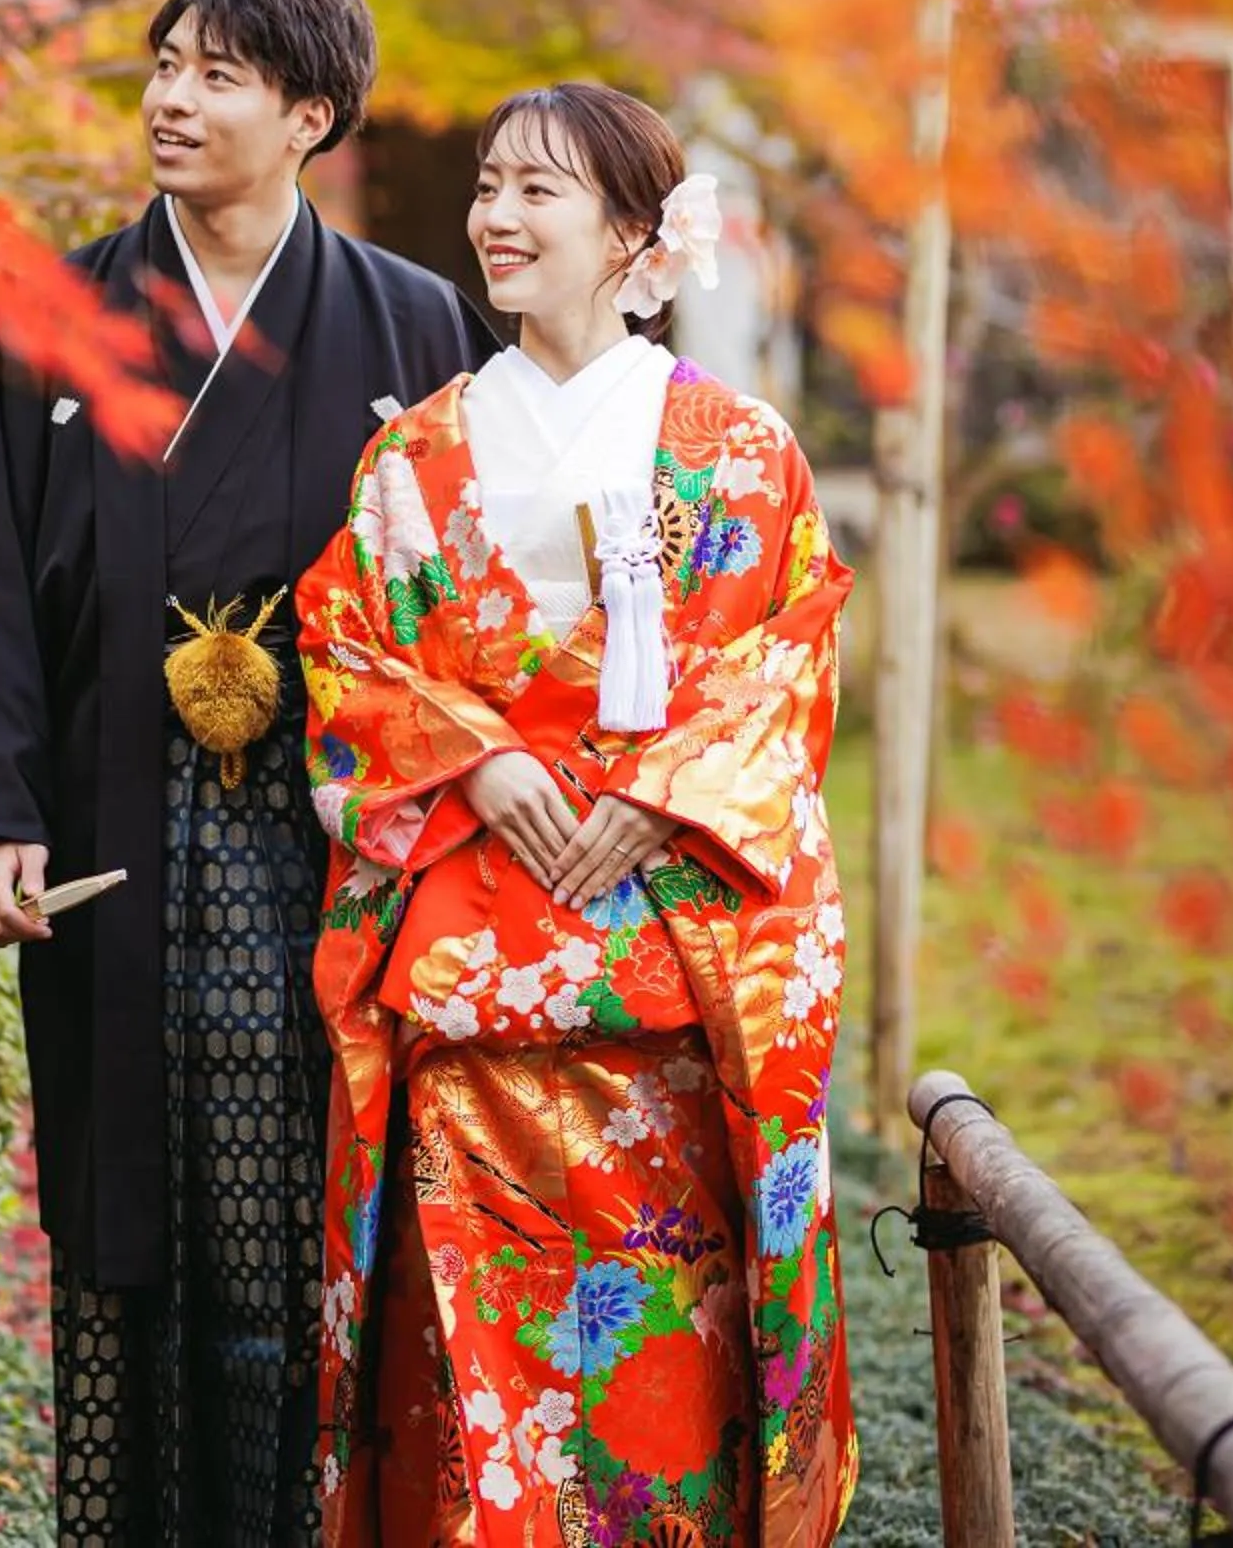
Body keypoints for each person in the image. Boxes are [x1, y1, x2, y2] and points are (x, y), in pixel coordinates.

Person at [0, 0, 495, 1548]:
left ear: (311, 116)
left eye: (219, 75)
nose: (170, 97)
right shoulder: (60, 317)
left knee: (300, 1230)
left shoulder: (414, 324)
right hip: (112, 826)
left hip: (329, 842)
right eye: (165, 62)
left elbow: (480, 612)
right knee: (123, 1227)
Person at [298, 82, 857, 1548]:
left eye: (537, 190)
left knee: (665, 1387)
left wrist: (662, 799)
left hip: (664, 997)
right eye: (489, 184)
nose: (494, 214)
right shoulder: (413, 455)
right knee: (472, 1401)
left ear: (630, 234)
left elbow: (786, 654)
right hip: (472, 983)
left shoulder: (739, 450)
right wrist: (477, 761)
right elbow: (347, 649)